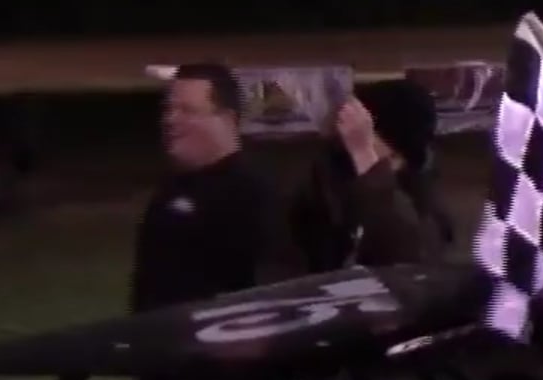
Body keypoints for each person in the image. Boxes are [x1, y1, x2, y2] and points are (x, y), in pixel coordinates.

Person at [128, 61, 284, 313]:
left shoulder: (251, 197)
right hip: (157, 344)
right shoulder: (170, 189)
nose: (170, 120)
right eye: (168, 110)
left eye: (187, 110)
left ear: (228, 120)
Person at [282, 75, 453, 272]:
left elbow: (406, 260)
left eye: (365, 130)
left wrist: (365, 156)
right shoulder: (330, 176)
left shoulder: (422, 202)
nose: (350, 136)